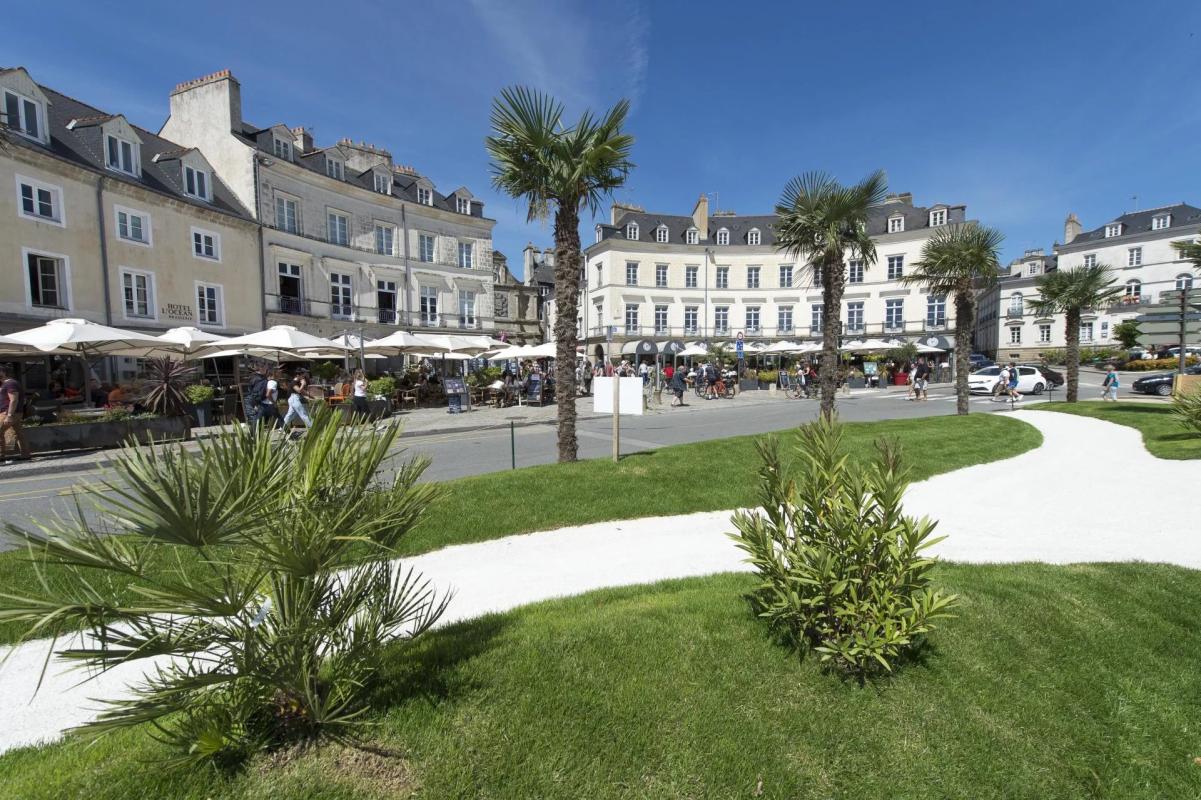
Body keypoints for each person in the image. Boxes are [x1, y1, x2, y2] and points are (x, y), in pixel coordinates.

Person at [0, 367, 32, 463]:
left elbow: (14, 400)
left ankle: (1, 455)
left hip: (8, 413)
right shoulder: (5, 383)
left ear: (3, 372)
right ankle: (25, 454)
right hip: (13, 413)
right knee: (18, 434)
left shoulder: (10, 383)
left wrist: (9, 415)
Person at [244, 365, 269, 433]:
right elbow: (257, 393)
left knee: (255, 417)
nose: (266, 371)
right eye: (265, 369)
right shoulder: (260, 379)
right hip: (253, 399)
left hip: (252, 399)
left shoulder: (256, 377)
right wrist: (257, 403)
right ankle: (255, 435)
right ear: (261, 369)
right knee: (254, 417)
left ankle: (254, 434)